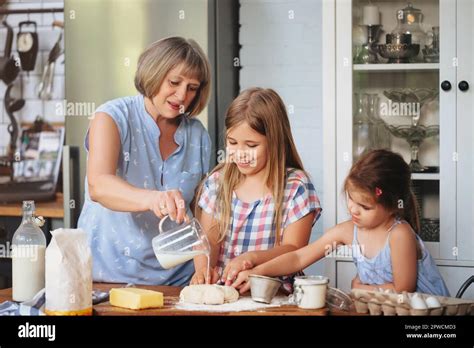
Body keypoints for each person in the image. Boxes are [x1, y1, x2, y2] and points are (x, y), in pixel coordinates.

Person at [77, 37, 212, 285]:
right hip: (106, 277)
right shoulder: (111, 117)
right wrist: (153, 198)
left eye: (192, 87)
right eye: (174, 82)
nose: (182, 95)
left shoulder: (198, 135)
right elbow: (99, 185)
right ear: (153, 73)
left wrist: (203, 267)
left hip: (177, 279)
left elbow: (203, 212)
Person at [233, 149, 450, 296]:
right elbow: (299, 257)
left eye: (365, 207)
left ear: (393, 205)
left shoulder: (399, 234)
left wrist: (360, 289)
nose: (353, 209)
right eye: (351, 199)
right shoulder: (348, 231)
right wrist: (257, 272)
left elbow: (404, 290)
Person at [191, 87, 322, 292]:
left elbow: (294, 250)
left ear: (275, 142)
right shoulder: (217, 184)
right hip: (226, 293)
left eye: (251, 145)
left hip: (277, 294)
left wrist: (251, 259)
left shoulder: (296, 186)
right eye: (232, 142)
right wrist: (203, 270)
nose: (240, 153)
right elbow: (209, 242)